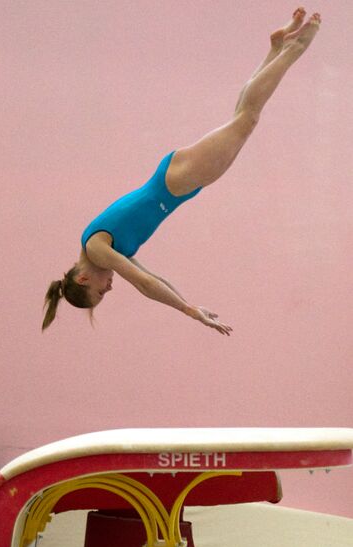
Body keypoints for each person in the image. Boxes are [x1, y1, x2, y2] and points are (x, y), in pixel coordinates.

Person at [42, 8, 321, 336]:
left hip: (173, 183)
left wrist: (189, 312)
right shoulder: (106, 251)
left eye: (100, 291)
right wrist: (188, 303)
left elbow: (144, 284)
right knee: (241, 118)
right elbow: (155, 280)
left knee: (247, 119)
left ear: (83, 278)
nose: (110, 288)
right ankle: (275, 49)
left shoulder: (95, 249)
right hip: (177, 184)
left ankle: (293, 49)